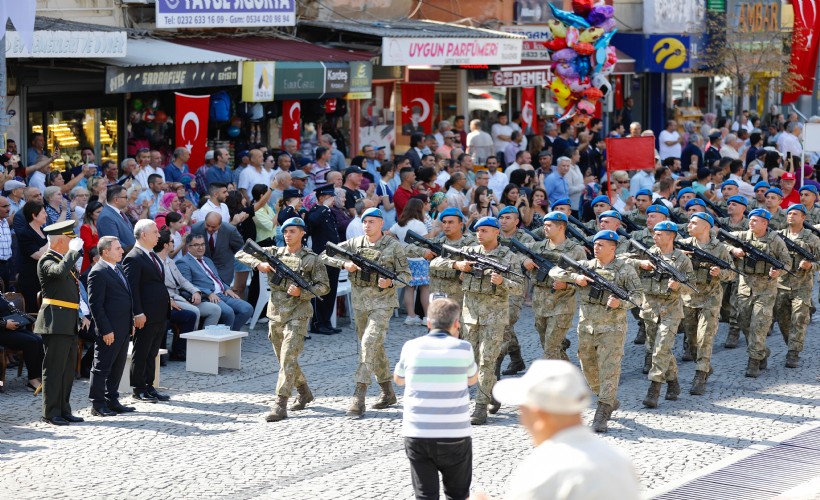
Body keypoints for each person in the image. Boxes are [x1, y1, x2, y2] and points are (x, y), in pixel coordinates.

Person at [493, 360, 640, 499]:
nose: (523, 421)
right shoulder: (619, 461)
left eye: (523, 411)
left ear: (539, 415)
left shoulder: (541, 473)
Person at [320, 207, 411, 418]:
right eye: (364, 221)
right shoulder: (354, 244)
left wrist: (390, 282)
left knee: (368, 344)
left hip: (382, 303)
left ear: (381, 224)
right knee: (373, 347)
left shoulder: (393, 246)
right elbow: (325, 254)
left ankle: (358, 395)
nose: (367, 225)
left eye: (372, 221)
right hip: (360, 305)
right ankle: (388, 392)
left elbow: (406, 276)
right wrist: (344, 264)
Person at [236, 217, 330, 422]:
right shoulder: (274, 253)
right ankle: (304, 391)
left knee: (288, 357)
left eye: (293, 231)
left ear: (303, 233)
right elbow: (240, 252)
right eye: (285, 231)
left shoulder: (312, 259)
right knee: (284, 359)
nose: (288, 235)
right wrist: (258, 263)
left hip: (299, 312)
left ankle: (280, 404)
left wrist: (302, 293)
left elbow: (324, 287)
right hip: (276, 312)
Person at [432, 216, 523, 425]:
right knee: (471, 361)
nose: (480, 234)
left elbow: (519, 287)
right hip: (470, 316)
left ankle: (480, 407)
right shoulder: (468, 251)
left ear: (496, 232)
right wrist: (457, 265)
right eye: (477, 231)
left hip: (495, 317)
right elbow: (436, 262)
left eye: (484, 230)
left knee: (487, 360)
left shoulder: (508, 257)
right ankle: (492, 390)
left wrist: (502, 282)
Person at [549, 230, 643, 432]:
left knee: (609, 368)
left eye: (601, 244)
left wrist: (621, 303)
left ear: (613, 247)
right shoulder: (587, 266)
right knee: (588, 366)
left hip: (612, 327)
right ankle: (607, 398)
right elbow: (554, 271)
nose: (596, 247)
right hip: (587, 326)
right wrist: (576, 278)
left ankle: (602, 411)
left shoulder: (625, 270)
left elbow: (638, 297)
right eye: (595, 244)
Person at [394, 298, 477, 500]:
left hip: (417, 432)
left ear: (429, 324)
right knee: (458, 495)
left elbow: (398, 379)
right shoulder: (464, 348)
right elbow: (473, 379)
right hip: (454, 434)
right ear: (456, 324)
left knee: (425, 495)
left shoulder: (411, 346)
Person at [724, 208, 790, 377]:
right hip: (745, 287)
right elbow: (721, 241)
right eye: (750, 220)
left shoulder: (774, 240)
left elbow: (787, 262)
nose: (751, 223)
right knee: (744, 322)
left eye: (755, 220)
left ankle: (753, 362)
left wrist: (778, 272)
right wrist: (733, 250)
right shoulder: (743, 236)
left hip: (766, 289)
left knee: (759, 325)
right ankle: (762, 352)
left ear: (765, 223)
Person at [35, 220, 87, 426]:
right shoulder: (46, 260)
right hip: (55, 322)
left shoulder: (65, 260)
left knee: (66, 370)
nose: (73, 243)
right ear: (58, 242)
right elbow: (57, 272)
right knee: (54, 369)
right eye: (70, 239)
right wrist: (73, 254)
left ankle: (64, 409)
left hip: (68, 321)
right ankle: (50, 412)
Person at [678, 213, 735, 395]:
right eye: (689, 223)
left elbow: (732, 273)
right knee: (692, 341)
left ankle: (700, 375)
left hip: (710, 297)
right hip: (689, 298)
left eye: (694, 223)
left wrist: (720, 273)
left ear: (706, 227)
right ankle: (705, 365)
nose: (689, 226)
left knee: (705, 338)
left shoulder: (719, 248)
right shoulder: (683, 245)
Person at [524, 211, 586, 362]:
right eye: (544, 225)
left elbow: (585, 279)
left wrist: (566, 284)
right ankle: (567, 372)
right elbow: (514, 252)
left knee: (551, 348)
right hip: (540, 302)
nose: (545, 228)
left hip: (562, 304)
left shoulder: (576, 250)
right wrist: (524, 260)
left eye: (549, 225)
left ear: (561, 227)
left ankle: (552, 383)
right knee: (549, 345)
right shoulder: (537, 247)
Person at [86, 236, 137, 417]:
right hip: (109, 329)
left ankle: (112, 399)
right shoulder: (98, 272)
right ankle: (98, 404)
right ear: (105, 252)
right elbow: (96, 305)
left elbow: (126, 298)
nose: (122, 251)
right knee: (102, 366)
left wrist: (130, 322)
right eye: (117, 248)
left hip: (123, 327)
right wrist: (105, 329)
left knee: (118, 365)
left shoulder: (118, 269)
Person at [123, 219, 171, 403]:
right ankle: (139, 388)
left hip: (159, 312)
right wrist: (137, 313)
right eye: (155, 232)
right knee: (141, 351)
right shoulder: (134, 257)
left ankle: (149, 386)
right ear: (144, 235)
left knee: (153, 352)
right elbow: (132, 289)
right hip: (145, 314)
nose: (158, 235)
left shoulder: (152, 255)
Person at [773, 204, 820, 369]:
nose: (791, 216)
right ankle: (791, 344)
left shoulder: (812, 239)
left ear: (803, 218)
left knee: (799, 319)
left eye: (795, 214)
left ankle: (793, 352)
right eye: (789, 213)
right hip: (781, 285)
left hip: (802, 286)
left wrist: (811, 266)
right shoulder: (778, 237)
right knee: (783, 320)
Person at [177, 233, 253, 331]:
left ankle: (229, 335)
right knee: (228, 312)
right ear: (188, 247)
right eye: (196, 245)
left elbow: (216, 279)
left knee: (247, 309)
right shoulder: (183, 262)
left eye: (203, 244)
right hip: (207, 296)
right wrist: (208, 293)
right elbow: (187, 284)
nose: (200, 248)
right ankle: (222, 338)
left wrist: (226, 288)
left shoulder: (207, 260)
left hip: (223, 294)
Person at [388, 198, 431, 326]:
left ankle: (411, 316)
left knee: (409, 288)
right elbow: (427, 240)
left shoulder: (400, 224)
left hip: (405, 259)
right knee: (424, 288)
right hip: (419, 259)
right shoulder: (419, 224)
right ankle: (427, 317)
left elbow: (388, 233)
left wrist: (398, 243)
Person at [306, 184, 342, 335]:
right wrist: (324, 207)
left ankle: (326, 321)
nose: (333, 200)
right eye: (330, 197)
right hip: (320, 257)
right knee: (320, 290)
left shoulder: (329, 212)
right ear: (322, 198)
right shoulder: (316, 211)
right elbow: (311, 223)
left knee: (331, 290)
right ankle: (317, 323)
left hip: (332, 256)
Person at [0, 293, 43, 392]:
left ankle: (39, 376)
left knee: (38, 340)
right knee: (30, 342)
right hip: (2, 331)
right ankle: (32, 381)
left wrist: (33, 320)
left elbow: (15, 310)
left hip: (12, 328)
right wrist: (5, 324)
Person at [191, 212, 245, 285]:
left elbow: (238, 246)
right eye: (207, 225)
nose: (210, 229)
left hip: (223, 272)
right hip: (203, 271)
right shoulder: (196, 228)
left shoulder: (230, 230)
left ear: (220, 225)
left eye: (213, 227)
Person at [17, 201, 49, 313]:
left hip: (46, 277)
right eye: (43, 212)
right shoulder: (25, 233)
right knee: (35, 310)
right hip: (32, 279)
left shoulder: (44, 232)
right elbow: (38, 255)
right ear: (34, 215)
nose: (46, 215)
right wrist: (52, 240)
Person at [96, 186, 136, 252]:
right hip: (119, 259)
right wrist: (135, 251)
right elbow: (113, 242)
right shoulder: (106, 217)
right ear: (116, 200)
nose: (127, 200)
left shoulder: (119, 212)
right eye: (125, 197)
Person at [79, 201, 103, 273]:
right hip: (92, 261)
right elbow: (88, 246)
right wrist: (104, 244)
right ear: (90, 214)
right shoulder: (85, 228)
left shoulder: (104, 225)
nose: (101, 214)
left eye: (102, 211)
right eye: (98, 212)